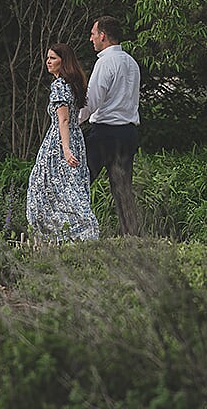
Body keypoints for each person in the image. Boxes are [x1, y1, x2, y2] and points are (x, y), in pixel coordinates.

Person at [26, 44, 100, 243]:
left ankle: (74, 231)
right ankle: (73, 233)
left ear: (63, 61)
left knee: (43, 187)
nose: (48, 62)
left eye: (52, 58)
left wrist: (65, 149)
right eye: (47, 58)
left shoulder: (59, 85)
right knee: (70, 187)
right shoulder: (71, 84)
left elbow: (64, 120)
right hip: (76, 139)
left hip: (60, 143)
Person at [80, 15, 143, 236]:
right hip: (129, 133)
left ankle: (77, 231)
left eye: (93, 34)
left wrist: (70, 122)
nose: (91, 39)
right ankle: (131, 236)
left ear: (103, 36)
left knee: (80, 180)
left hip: (106, 133)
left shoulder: (105, 62)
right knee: (123, 189)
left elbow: (92, 101)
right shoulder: (131, 63)